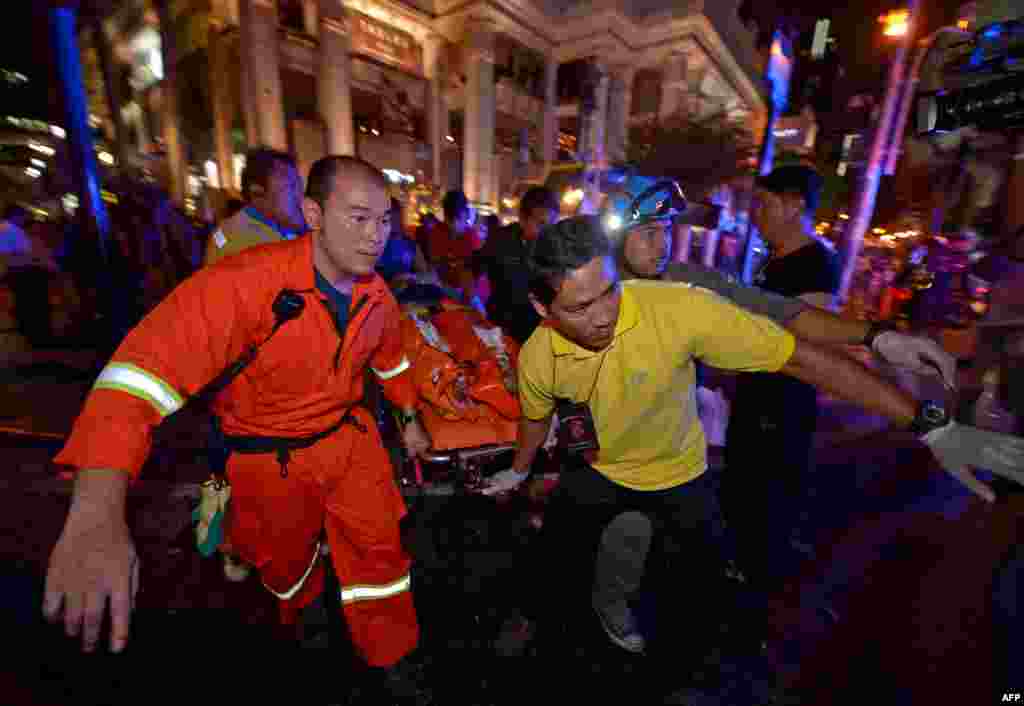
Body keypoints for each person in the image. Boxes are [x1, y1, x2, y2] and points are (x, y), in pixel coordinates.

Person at [495, 216, 1024, 674]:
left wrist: (930, 424)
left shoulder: (678, 309)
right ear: (543, 308)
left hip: (679, 474)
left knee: (709, 576)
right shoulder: (539, 358)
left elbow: (798, 356)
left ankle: (703, 659)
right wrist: (521, 470)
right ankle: (543, 622)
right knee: (554, 555)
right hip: (600, 472)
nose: (605, 314)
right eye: (581, 306)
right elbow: (534, 420)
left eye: (609, 290)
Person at [43, 156, 434, 704]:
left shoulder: (378, 297)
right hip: (267, 462)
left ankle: (393, 654)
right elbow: (138, 374)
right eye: (359, 218)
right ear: (314, 213)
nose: (376, 236)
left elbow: (389, 361)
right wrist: (95, 510)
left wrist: (410, 419)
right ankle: (302, 621)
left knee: (382, 558)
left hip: (350, 445)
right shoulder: (245, 284)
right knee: (286, 562)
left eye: (385, 220)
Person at [724, 166, 842, 604]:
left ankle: (757, 588)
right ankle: (740, 563)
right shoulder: (771, 257)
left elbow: (803, 335)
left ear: (795, 206)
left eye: (765, 203)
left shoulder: (816, 262)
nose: (757, 213)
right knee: (741, 484)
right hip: (754, 390)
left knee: (768, 493)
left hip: (784, 398)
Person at [475, 187, 560, 344]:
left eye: (551, 226)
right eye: (541, 224)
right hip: (499, 331)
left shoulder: (556, 250)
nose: (547, 233)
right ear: (522, 218)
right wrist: (475, 306)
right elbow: (471, 269)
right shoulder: (500, 239)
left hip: (538, 337)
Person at [204, 148, 306, 266]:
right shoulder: (246, 244)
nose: (299, 195)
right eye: (290, 186)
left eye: (299, 185)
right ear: (257, 191)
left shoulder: (278, 228)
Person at [0, 205, 59, 346]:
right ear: (16, 215)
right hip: (22, 271)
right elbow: (10, 253)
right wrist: (40, 262)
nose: (25, 219)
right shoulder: (8, 228)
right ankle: (36, 334)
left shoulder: (11, 229)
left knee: (26, 302)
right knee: (30, 302)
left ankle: (32, 332)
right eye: (23, 216)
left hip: (22, 271)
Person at [422, 190, 485, 313]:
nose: (454, 224)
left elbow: (474, 277)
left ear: (466, 215)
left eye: (457, 218)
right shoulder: (437, 234)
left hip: (468, 294)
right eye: (450, 218)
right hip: (443, 289)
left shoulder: (472, 238)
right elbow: (434, 266)